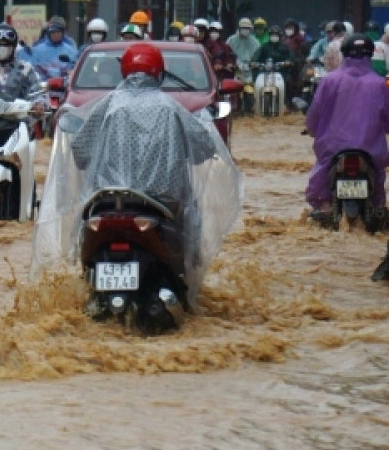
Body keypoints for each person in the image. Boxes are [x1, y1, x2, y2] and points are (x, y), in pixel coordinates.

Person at [35, 42, 240, 310]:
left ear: (124, 71)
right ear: (158, 72)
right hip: (161, 204)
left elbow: (81, 152)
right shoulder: (171, 108)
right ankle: (184, 289)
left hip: (105, 202)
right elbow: (203, 148)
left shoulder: (106, 106)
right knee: (192, 220)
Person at [304, 33, 389, 224]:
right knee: (378, 195)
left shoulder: (329, 81)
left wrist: (313, 130)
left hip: (332, 149)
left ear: (344, 54)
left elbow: (314, 114)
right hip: (371, 151)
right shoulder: (380, 84)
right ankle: (376, 206)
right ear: (371, 54)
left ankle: (324, 207)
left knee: (321, 197)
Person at [30, 15, 79, 80]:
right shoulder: (36, 50)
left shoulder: (72, 50)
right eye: (53, 32)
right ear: (49, 33)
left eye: (58, 32)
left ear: (63, 33)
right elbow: (34, 70)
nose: (56, 35)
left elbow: (74, 70)